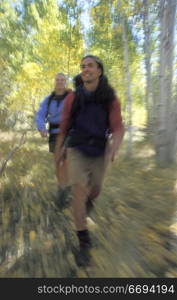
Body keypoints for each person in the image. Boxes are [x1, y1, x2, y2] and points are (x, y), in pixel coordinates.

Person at [55, 56, 125, 266]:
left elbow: (118, 127)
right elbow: (64, 127)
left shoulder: (110, 98)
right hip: (76, 148)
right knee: (78, 191)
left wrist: (114, 147)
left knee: (95, 190)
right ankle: (84, 243)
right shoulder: (72, 99)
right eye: (83, 67)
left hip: (99, 150)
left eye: (90, 66)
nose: (85, 69)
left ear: (99, 71)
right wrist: (58, 152)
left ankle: (88, 202)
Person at [36, 73, 72, 208]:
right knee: (57, 164)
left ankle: (63, 192)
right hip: (53, 134)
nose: (60, 82)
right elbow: (40, 115)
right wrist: (41, 128)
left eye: (63, 80)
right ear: (55, 82)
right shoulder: (48, 100)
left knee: (66, 163)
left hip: (69, 134)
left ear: (66, 82)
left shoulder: (71, 97)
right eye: (58, 80)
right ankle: (63, 186)